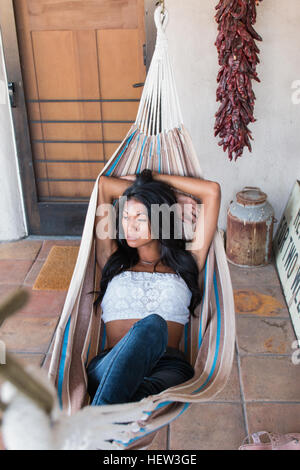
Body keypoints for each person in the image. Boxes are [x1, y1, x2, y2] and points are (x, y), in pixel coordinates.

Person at [86, 169, 221, 406]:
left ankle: (103, 419)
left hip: (166, 367)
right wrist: (170, 197)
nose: (130, 225)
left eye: (140, 217)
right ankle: (108, 422)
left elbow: (212, 192)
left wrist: (161, 191)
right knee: (149, 328)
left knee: (152, 327)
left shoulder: (186, 265)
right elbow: (104, 185)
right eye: (126, 216)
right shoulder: (111, 259)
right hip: (110, 363)